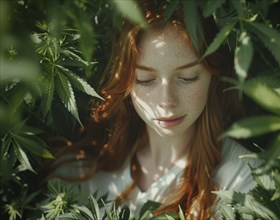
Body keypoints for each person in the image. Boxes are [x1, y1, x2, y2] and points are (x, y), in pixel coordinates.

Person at [51, 1, 260, 219]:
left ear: (213, 75)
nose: (166, 100)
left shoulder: (243, 179)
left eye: (186, 78)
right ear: (126, 83)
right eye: (146, 80)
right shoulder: (79, 171)